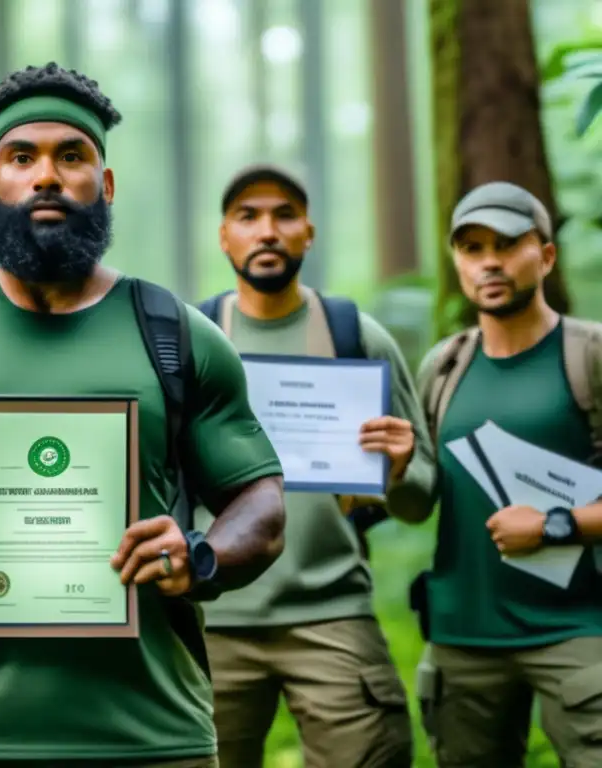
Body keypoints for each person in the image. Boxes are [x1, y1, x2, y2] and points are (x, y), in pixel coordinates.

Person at [0, 62, 287, 767]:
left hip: (150, 738)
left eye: (71, 156)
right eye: (22, 157)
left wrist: (199, 556)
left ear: (104, 184)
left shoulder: (176, 334)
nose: (46, 176)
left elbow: (261, 504)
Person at [195, 164, 436, 768]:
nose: (267, 230)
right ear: (225, 237)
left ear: (309, 233)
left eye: (284, 215)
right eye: (248, 217)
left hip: (333, 613)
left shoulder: (356, 336)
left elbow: (420, 503)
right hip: (213, 614)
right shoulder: (189, 340)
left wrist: (402, 467)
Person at [413, 181, 602, 768]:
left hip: (579, 633)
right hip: (462, 640)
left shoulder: (590, 355)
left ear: (545, 255)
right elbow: (417, 501)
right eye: (471, 248)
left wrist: (552, 526)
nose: (489, 261)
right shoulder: (443, 366)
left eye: (507, 244)